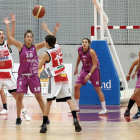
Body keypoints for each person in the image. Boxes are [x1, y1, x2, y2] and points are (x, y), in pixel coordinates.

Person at [3, 16, 52, 125]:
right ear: (24, 39)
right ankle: (18, 117)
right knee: (19, 97)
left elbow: (50, 40)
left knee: (39, 97)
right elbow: (10, 38)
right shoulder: (20, 46)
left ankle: (45, 117)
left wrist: (47, 30)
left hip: (34, 76)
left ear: (32, 39)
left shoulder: (36, 47)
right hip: (23, 76)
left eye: (31, 37)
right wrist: (8, 24)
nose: (29, 38)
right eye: (27, 37)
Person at [38, 22, 82, 133]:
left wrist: (40, 59)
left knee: (48, 101)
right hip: (64, 75)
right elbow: (53, 38)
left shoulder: (46, 53)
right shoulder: (58, 47)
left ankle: (44, 124)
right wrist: (49, 30)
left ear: (47, 43)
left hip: (55, 78)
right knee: (69, 99)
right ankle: (75, 120)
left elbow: (39, 67)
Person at [0, 14, 30, 121]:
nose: (2, 35)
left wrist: (12, 23)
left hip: (7, 73)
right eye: (0, 34)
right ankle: (5, 108)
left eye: (3, 34)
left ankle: (24, 112)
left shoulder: (7, 44)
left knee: (16, 95)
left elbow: (11, 35)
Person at [72, 38, 108, 115]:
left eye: (86, 42)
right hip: (84, 70)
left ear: (89, 44)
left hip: (93, 70)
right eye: (83, 42)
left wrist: (89, 75)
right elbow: (79, 57)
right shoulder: (79, 49)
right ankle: (77, 107)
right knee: (76, 87)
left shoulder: (91, 52)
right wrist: (76, 67)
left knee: (98, 89)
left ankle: (104, 109)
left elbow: (95, 65)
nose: (84, 43)